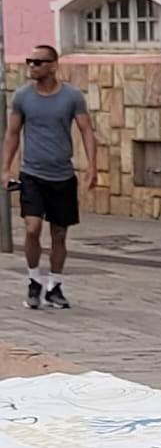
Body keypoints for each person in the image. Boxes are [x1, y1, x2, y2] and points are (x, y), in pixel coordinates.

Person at [2, 45, 97, 310]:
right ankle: (34, 280)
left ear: (53, 65)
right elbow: (11, 134)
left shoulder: (72, 97)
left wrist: (92, 166)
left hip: (62, 176)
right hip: (32, 174)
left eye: (38, 62)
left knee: (59, 234)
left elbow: (86, 130)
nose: (32, 66)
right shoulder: (22, 96)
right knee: (32, 228)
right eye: (29, 61)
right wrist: (5, 168)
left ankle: (55, 286)